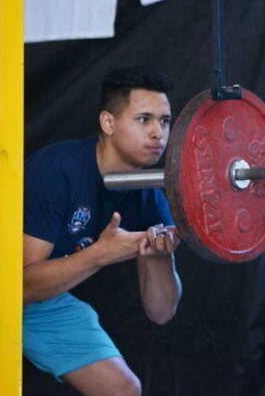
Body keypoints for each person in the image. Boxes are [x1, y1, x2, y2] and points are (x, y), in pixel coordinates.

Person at [23, 66, 182, 395]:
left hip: (40, 305)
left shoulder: (149, 197)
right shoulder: (55, 171)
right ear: (108, 123)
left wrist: (160, 257)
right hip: (9, 288)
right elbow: (17, 288)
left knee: (123, 390)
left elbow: (161, 311)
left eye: (164, 121)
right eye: (144, 119)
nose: (158, 133)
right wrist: (98, 256)